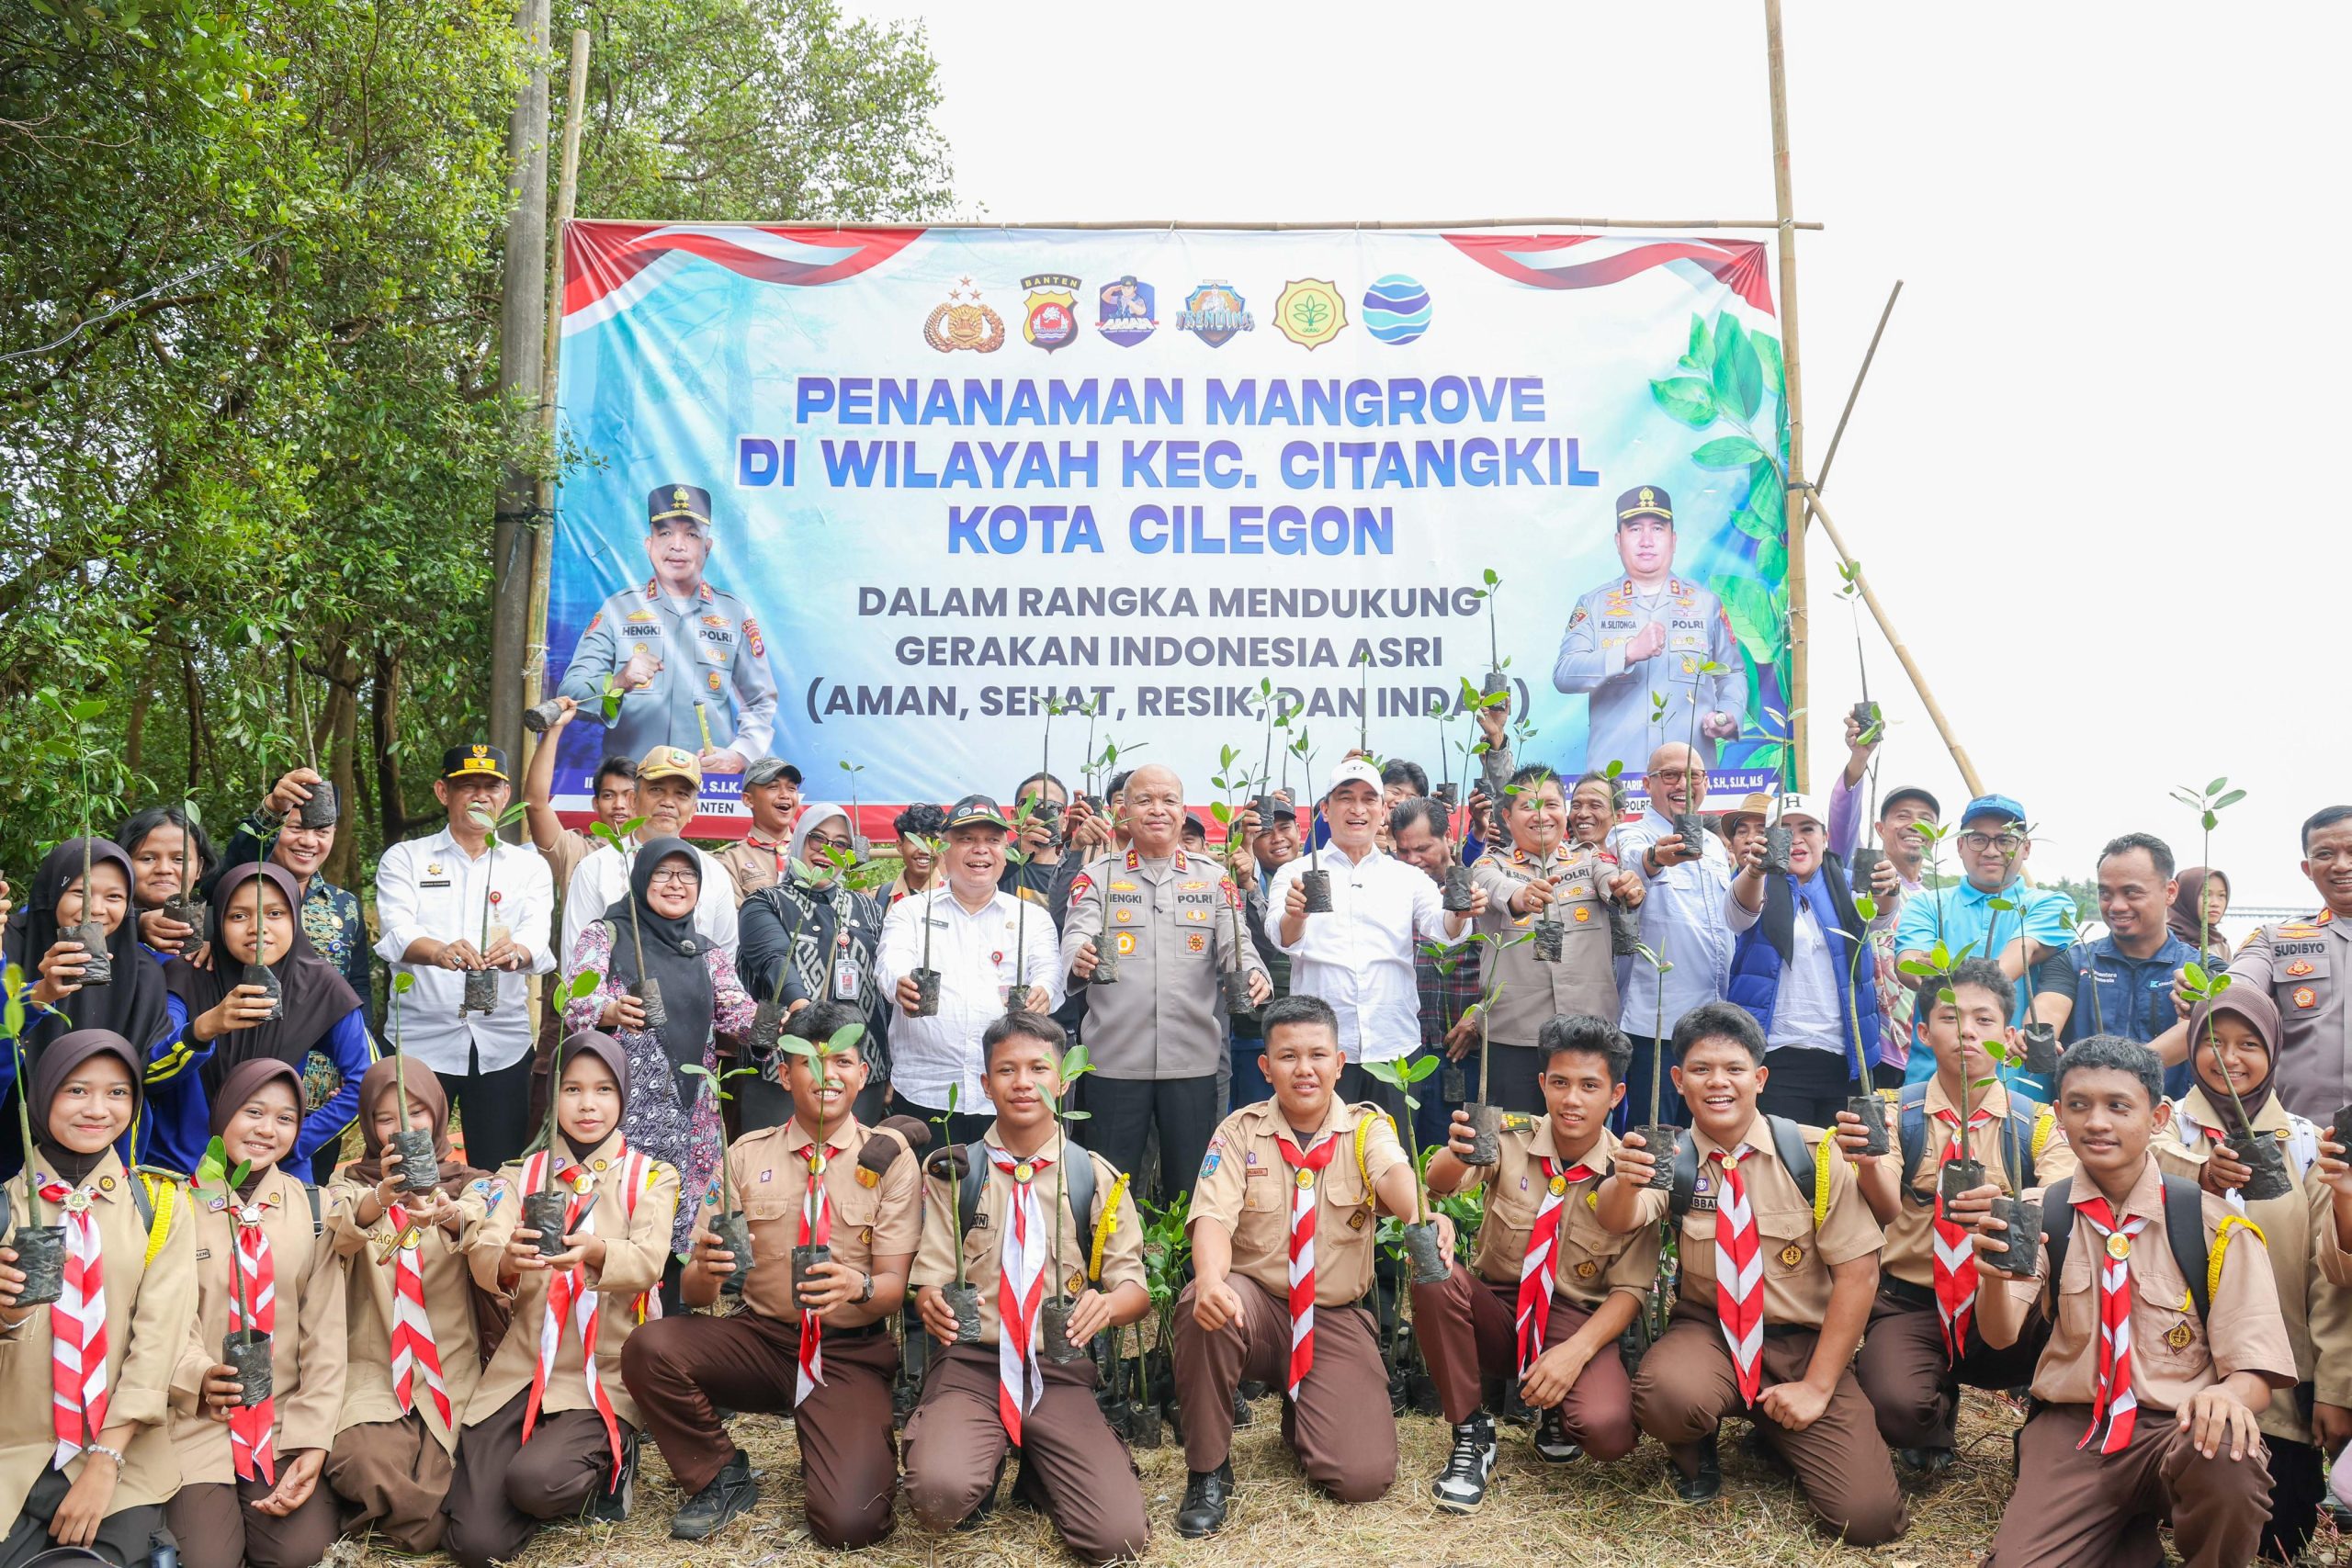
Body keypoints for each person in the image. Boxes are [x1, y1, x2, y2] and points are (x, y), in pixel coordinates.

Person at [1971, 1036, 2293, 1567]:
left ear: (2158, 1117)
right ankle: (2124, 1538)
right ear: (2059, 1115)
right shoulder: (2038, 1213)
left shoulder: (2215, 1226)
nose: (2097, 1122)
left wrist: (2226, 1395)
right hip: (2077, 1431)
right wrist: (1990, 1277)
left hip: (2179, 1429)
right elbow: (2001, 1334)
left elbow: (2255, 1373)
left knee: (2227, 1455)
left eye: (2119, 1106)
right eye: (2079, 1105)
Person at [1597, 1002, 1904, 1545]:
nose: (1718, 1082)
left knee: (1869, 1519)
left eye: (1734, 1069)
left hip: (1802, 1344)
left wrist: (1817, 1386)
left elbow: (1859, 1275)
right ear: (1678, 1080)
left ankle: (1778, 1430)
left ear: (1759, 1079)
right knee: (1667, 1396)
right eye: (1701, 1069)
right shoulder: (1671, 1156)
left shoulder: (1815, 1154)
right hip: (1710, 1333)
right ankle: (1697, 1442)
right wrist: (1622, 1182)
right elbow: (1618, 1219)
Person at [621, 1003, 925, 1547]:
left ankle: (834, 1442)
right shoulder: (743, 1155)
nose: (828, 1075)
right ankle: (720, 1475)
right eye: (810, 1062)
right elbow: (694, 1292)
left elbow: (890, 1291)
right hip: (761, 1341)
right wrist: (707, 1270)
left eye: (843, 1062)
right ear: (784, 1074)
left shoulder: (889, 1161)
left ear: (862, 1074)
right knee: (650, 1347)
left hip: (846, 1352)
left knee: (851, 1524)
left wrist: (854, 1286)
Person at [1170, 995, 1435, 1535]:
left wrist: (1423, 1217)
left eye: (1317, 1055)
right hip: (1256, 1309)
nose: (1304, 1069)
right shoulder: (1238, 1132)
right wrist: (1212, 1280)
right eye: (1288, 1056)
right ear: (1265, 1067)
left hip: (1332, 1316)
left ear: (1340, 1063)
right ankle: (1208, 1470)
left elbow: (1394, 1177)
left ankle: (1304, 1415)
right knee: (1203, 1304)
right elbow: (1213, 1218)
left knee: (1361, 1477)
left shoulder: (1366, 1129)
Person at [904, 1010, 1152, 1562]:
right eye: (1006, 1070)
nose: (1023, 1082)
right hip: (973, 1364)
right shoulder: (953, 1171)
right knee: (939, 1495)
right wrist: (930, 1302)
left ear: (1063, 1081)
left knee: (1118, 1540)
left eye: (1039, 1068)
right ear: (985, 1083)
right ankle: (981, 1456)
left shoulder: (1094, 1176)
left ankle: (1042, 1466)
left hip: (1057, 1368)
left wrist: (1108, 1306)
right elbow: (930, 1278)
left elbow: (1133, 1288)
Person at [445, 1033, 680, 1566]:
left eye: (603, 1090)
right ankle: (529, 1479)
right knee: (474, 1544)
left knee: (536, 1483)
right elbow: (483, 1247)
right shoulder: (519, 1174)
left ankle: (611, 1463)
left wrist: (597, 1252)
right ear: (553, 1096)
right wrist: (508, 1259)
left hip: (601, 1371)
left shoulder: (651, 1175)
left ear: (623, 1096)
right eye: (572, 1089)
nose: (587, 1104)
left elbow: (650, 1260)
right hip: (522, 1369)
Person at [1836, 959, 2072, 1473]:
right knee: (1895, 1404)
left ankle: (2048, 1431)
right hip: (1912, 1304)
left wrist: (2009, 1210)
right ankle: (1932, 1414)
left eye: (1984, 1020)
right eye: (1949, 1017)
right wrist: (1868, 1163)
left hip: (2006, 1302)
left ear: (2007, 1036)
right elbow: (1886, 1207)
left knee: (2072, 1335)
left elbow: (2062, 1199)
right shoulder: (1894, 1113)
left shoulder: (2036, 1124)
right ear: (1923, 1032)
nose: (1967, 1031)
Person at [1415, 1015, 1658, 1510]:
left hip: (1573, 1320)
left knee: (1608, 1432)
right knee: (1436, 1271)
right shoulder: (1510, 1137)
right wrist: (1457, 1154)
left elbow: (1631, 1290)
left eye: (1590, 1086)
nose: (1572, 1100)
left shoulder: (1632, 1170)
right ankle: (1471, 1432)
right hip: (1499, 1309)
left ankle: (1558, 1412)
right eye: (1561, 1083)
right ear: (1543, 1083)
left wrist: (1576, 1353)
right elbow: (1438, 1184)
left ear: (1616, 1095)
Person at [2156, 987, 2351, 1561]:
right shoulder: (2162, 1129)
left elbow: (2329, 1278)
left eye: (2249, 1044)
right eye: (2214, 1041)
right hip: (2168, 1376)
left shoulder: (2307, 1144)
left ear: (2274, 1051)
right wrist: (2201, 1172)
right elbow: (2140, 1168)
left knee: (2279, 1537)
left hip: (2277, 1391)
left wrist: (2334, 1389)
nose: (2229, 1057)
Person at [0, 1030, 198, 1565]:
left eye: (117, 1093)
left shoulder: (160, 1204)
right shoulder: (4, 1208)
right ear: (42, 1094)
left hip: (122, 1456)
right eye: (76, 1090)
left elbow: (158, 1339)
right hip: (12, 1456)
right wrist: (6, 1316)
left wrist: (106, 1459)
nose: (97, 1109)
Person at [164, 1058, 348, 1568]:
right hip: (199, 1420)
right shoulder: (176, 1205)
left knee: (300, 1554)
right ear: (223, 1113)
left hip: (283, 1420)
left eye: (286, 1119)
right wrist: (197, 1377)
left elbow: (325, 1334)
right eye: (253, 1112)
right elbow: (166, 1320)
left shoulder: (313, 1208)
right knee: (205, 1560)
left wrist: (314, 1441)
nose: (268, 1130)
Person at [1061, 764, 1269, 1201]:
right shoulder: (1097, 876)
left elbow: (1237, 944)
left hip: (1192, 1063)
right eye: (1145, 800)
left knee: (1192, 1193)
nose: (1158, 810)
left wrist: (1253, 973)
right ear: (1123, 810)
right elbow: (1077, 932)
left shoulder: (1214, 878)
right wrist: (1079, 956)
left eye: (1168, 800)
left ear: (1183, 809)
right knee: (1109, 1195)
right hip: (1114, 1063)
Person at [321, 1059, 499, 1553]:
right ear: (367, 1126)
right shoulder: (347, 1184)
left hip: (454, 1367)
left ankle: (415, 1518)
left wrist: (448, 1214)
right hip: (376, 1370)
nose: (404, 1127)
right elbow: (339, 1231)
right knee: (362, 1462)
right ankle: (430, 1521)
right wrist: (380, 1198)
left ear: (440, 1113)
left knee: (460, 1459)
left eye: (417, 1112)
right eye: (386, 1118)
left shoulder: (475, 1182)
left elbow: (486, 1223)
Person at [562, 836, 754, 1271]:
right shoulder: (605, 935)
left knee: (678, 1227)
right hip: (624, 1110)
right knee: (619, 1215)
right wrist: (611, 1010)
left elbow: (736, 1012)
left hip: (691, 1116)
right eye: (663, 873)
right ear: (642, 878)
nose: (676, 884)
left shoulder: (706, 951)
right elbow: (575, 1002)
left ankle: (671, 1305)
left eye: (687, 875)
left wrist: (779, 1022)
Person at [374, 745, 556, 1175]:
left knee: (500, 1171)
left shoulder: (529, 867)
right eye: (467, 786)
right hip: (418, 1042)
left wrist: (517, 952)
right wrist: (437, 951)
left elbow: (536, 935)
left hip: (502, 1043)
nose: (480, 796)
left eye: (491, 786)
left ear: (506, 795)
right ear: (443, 792)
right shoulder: (406, 858)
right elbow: (397, 931)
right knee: (410, 1169)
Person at [1266, 759, 1476, 1122]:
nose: (1358, 809)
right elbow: (1280, 936)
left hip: (1394, 1047)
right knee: (1322, 1149)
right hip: (1320, 1052)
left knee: (1394, 1150)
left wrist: (1460, 913)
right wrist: (1295, 915)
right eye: (1346, 798)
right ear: (1325, 809)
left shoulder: (1406, 877)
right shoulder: (1296, 872)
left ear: (1383, 811)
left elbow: (1441, 928)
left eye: (1368, 799)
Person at [158, 863, 370, 1183]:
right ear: (218, 921)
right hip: (183, 1165)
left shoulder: (318, 985)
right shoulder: (188, 975)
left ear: (295, 917)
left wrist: (294, 1141)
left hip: (276, 1172)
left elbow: (365, 1080)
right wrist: (205, 1027)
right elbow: (151, 1069)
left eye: (275, 913)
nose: (258, 928)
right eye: (238, 916)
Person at [874, 795, 1064, 1149]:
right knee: (921, 1183)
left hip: (1006, 1096)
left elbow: (1049, 970)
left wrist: (1044, 990)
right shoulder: (910, 912)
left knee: (1000, 1184)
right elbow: (890, 961)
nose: (981, 849)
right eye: (966, 839)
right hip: (924, 1090)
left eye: (992, 840)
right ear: (944, 849)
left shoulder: (1031, 917)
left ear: (1006, 851)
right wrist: (899, 982)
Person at [556, 482, 778, 774]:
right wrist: (620, 681)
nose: (677, 545)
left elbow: (760, 701)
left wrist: (740, 754)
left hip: (704, 786)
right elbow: (570, 693)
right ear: (649, 545)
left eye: (691, 534)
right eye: (665, 533)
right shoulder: (617, 609)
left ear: (707, 547)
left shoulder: (734, 613)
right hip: (630, 785)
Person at [2153, 807, 2352, 1118]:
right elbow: (2239, 984)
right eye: (2325, 854)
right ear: (2307, 868)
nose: (2341, 865)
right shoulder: (2277, 939)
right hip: (2305, 1135)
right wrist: (2206, 990)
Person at [1465, 768, 1643, 1117]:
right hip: (1515, 1037)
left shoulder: (1591, 858)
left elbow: (1612, 881)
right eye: (1528, 807)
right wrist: (1522, 896)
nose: (1542, 815)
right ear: (1507, 816)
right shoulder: (1490, 864)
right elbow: (1496, 888)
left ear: (1564, 810)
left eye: (1551, 805)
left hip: (1589, 1035)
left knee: (1586, 1136)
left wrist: (1626, 888)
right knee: (1515, 1138)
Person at [1723, 793, 1893, 1125]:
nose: (1797, 839)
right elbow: (1738, 915)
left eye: (1807, 828)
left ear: (1825, 837)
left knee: (1844, 1155)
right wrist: (1755, 871)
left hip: (1845, 1059)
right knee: (1784, 1154)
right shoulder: (1753, 881)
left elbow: (1880, 917)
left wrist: (1890, 888)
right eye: (1784, 830)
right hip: (1774, 1055)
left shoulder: (1850, 882)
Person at [1552, 484, 1744, 775]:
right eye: (1634, 530)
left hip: (1688, 780)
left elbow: (1733, 672)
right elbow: (1564, 673)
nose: (1646, 541)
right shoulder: (1594, 604)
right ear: (1618, 541)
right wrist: (1626, 653)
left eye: (1657, 528)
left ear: (1673, 539)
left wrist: (1730, 712)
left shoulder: (1706, 604)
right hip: (1615, 782)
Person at [1893, 793, 2075, 1098]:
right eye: (1978, 839)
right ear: (1959, 846)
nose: (1991, 851)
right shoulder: (1927, 903)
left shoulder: (2052, 904)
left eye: (2005, 840)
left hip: (2017, 1083)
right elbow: (1907, 963)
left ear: (2026, 848)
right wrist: (1919, 967)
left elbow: (2022, 951)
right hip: (1930, 1079)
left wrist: (1945, 978)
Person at [735, 803, 892, 1129]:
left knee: (852, 1158)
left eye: (840, 844)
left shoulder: (868, 909)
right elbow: (773, 959)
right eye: (817, 838)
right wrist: (802, 1011)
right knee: (778, 1157)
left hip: (861, 1065)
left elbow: (884, 985)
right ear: (800, 839)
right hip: (784, 1064)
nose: (826, 850)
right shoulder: (765, 901)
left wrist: (892, 1067)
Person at [4, 839, 188, 1114]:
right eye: (80, 892)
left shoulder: (143, 972)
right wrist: (41, 994)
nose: (95, 909)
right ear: (53, 892)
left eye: (114, 897)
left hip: (100, 1123)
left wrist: (202, 1033)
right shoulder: (8, 945)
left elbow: (147, 1068)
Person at [1611, 741, 1735, 1133]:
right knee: (1653, 1138)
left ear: (1706, 783)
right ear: (1647, 785)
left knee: (1705, 1135)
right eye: (1670, 775)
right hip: (1656, 1026)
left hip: (1713, 1021)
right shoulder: (1627, 835)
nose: (1683, 784)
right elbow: (1634, 864)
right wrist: (1657, 858)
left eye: (1693, 775)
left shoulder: (1714, 845)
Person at [212, 769, 376, 1037]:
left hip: (328, 1053)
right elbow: (229, 869)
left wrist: (362, 1049)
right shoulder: (236, 894)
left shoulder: (345, 905)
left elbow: (358, 985)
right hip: (248, 1045)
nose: (308, 842)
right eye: (296, 828)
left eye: (322, 831)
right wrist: (273, 808)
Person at [2037, 832, 2199, 1098]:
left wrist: (2118, 1076)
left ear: (2170, 892)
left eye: (2131, 892)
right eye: (2105, 893)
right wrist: (2036, 1037)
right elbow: (2046, 1012)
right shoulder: (2074, 961)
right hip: (2082, 1113)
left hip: (2170, 1116)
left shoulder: (2200, 969)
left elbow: (2197, 1029)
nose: (2117, 906)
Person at [559, 745, 739, 971]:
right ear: (633, 800)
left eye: (682, 794)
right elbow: (578, 966)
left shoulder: (714, 873)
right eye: (656, 790)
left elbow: (725, 963)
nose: (668, 802)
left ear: (694, 809)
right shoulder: (595, 868)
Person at [1394, 795, 1486, 1139]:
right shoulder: (1389, 891)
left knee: (1457, 1151)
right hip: (1407, 1051)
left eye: (1422, 849)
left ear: (1448, 837)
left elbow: (1510, 969)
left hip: (1463, 1052)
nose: (1412, 860)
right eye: (1403, 851)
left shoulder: (1478, 889)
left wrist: (1479, 1015)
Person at [519, 701, 638, 895]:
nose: (619, 805)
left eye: (629, 795)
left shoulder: (657, 857)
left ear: (641, 802)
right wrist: (555, 729)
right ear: (596, 804)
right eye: (608, 795)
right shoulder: (575, 852)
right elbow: (535, 804)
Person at [1227, 792, 1299, 1113]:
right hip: (1254, 1031)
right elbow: (1264, 945)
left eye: (1285, 828)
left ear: (1300, 831)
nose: (1278, 838)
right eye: (1266, 833)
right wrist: (1247, 884)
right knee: (1255, 1121)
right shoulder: (1235, 879)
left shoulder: (1317, 874)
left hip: (1306, 1027)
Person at [119, 805, 215, 959]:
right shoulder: (103, 921)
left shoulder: (221, 928)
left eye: (179, 859)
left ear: (199, 867)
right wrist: (135, 923)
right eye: (147, 858)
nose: (164, 869)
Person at [715, 756, 804, 904]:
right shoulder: (729, 859)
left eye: (792, 788)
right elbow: (732, 915)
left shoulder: (812, 853)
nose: (785, 795)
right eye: (773, 787)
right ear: (748, 799)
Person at [1001, 770, 1069, 908]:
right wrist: (1019, 850)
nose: (1042, 813)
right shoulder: (994, 864)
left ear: (1065, 823)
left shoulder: (1073, 874)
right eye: (1031, 805)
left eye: (1053, 807)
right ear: (1014, 816)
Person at [885, 803, 947, 908]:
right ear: (900, 845)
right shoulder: (880, 896)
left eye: (933, 841)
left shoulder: (957, 898)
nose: (925, 850)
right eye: (916, 840)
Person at [2172, 866, 2232, 964]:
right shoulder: (2165, 940)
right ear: (2187, 897)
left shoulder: (2220, 944)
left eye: (2221, 895)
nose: (2215, 903)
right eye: (2206, 894)